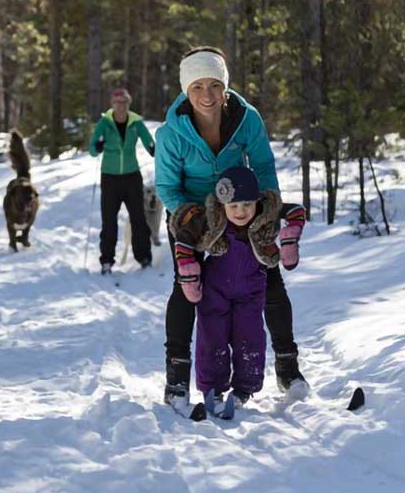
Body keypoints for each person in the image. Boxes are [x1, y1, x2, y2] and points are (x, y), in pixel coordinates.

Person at [154, 46, 308, 410]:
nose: (206, 96)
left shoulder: (247, 118)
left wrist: (267, 211)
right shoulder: (172, 132)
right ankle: (176, 379)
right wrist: (191, 218)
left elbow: (264, 166)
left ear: (225, 88)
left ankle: (289, 369)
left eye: (214, 86)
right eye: (197, 87)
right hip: (190, 211)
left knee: (269, 281)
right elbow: (166, 187)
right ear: (185, 90)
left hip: (240, 205)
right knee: (187, 288)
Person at [170, 166, 307, 418]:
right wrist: (188, 270)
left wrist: (289, 236)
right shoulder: (213, 220)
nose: (241, 212)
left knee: (250, 337)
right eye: (233, 206)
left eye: (246, 204)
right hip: (215, 291)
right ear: (222, 206)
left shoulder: (265, 216)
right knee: (212, 337)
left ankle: (244, 389)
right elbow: (183, 236)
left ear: (257, 201)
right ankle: (213, 389)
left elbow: (297, 211)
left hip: (251, 292)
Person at [88, 88, 156, 274]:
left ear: (129, 103)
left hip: (132, 176)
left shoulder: (135, 123)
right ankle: (107, 261)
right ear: (112, 104)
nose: (121, 106)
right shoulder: (104, 123)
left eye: (124, 102)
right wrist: (97, 146)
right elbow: (92, 150)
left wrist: (154, 151)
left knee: (139, 219)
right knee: (109, 221)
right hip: (110, 178)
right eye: (118, 102)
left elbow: (149, 142)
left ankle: (144, 257)